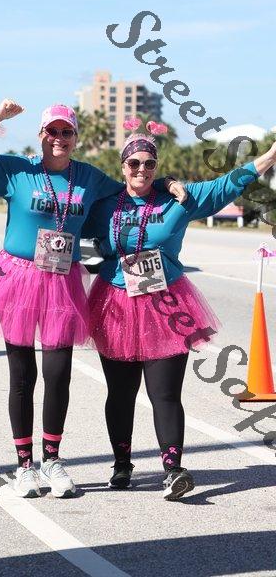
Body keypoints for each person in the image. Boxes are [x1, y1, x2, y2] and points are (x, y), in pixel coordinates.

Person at [0, 100, 183, 499]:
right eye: (52, 131)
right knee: (22, 376)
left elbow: (134, 185)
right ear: (41, 135)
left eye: (67, 132)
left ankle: (52, 461)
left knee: (58, 374)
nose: (59, 138)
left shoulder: (88, 177)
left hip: (62, 280)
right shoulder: (16, 171)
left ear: (75, 138)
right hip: (18, 279)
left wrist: (167, 182)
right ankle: (24, 466)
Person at [83, 119, 276, 500]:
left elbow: (225, 185)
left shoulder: (178, 199)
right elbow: (70, 219)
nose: (141, 170)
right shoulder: (105, 204)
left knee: (166, 394)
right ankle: (122, 464)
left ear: (156, 166)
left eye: (149, 164)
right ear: (123, 166)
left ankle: (173, 469)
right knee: (120, 393)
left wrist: (269, 156)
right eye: (133, 163)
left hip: (167, 307)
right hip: (115, 304)